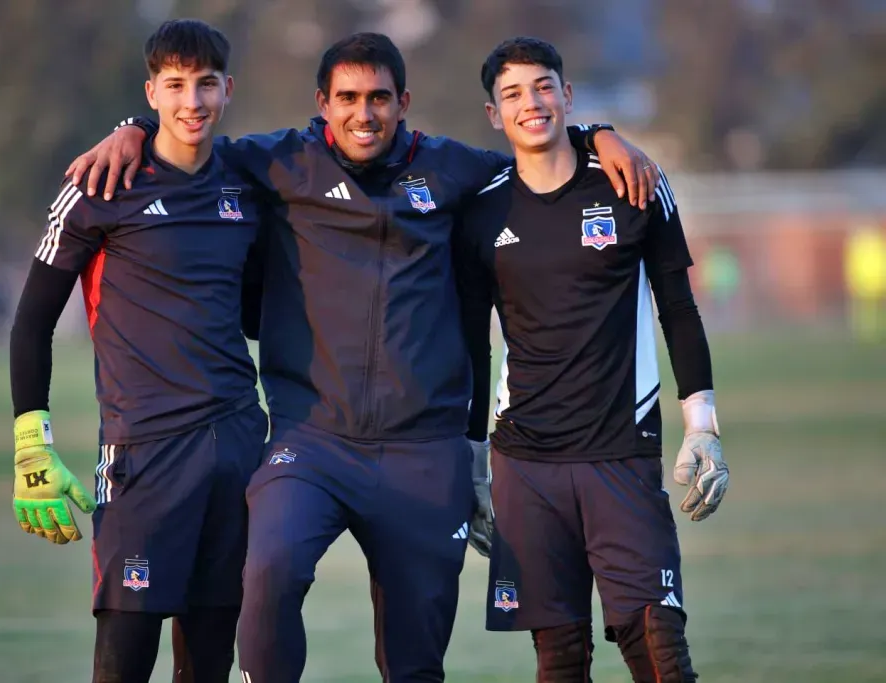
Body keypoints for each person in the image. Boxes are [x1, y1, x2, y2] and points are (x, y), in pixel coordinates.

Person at [65, 32, 659, 683]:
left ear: (403, 102)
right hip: (310, 443)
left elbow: (535, 150)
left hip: (422, 452)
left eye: (379, 98)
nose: (363, 112)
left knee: (414, 661)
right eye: (347, 98)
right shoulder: (279, 161)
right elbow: (187, 128)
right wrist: (132, 127)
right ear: (323, 103)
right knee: (266, 571)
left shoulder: (451, 169)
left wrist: (596, 134)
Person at [453, 37, 730, 682]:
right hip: (523, 461)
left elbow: (679, 311)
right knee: (560, 658)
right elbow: (474, 341)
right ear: (494, 114)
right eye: (513, 93)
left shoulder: (633, 183)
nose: (532, 102)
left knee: (660, 651)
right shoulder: (480, 208)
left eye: (544, 86)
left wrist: (703, 427)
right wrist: (470, 462)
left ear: (568, 96)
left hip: (621, 454)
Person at [8, 19, 268, 683]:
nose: (193, 102)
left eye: (206, 84)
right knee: (123, 663)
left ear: (228, 89)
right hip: (143, 455)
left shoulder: (246, 181)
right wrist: (31, 442)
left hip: (239, 445)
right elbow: (32, 322)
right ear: (151, 92)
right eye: (175, 85)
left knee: (210, 662)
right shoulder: (102, 185)